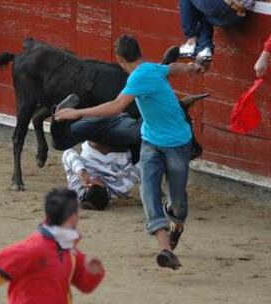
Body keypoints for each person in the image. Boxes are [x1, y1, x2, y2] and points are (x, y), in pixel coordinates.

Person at [55, 35, 204, 270]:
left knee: (176, 203)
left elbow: (116, 107)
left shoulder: (139, 75)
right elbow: (170, 68)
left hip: (177, 143)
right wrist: (190, 67)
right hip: (150, 141)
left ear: (119, 59)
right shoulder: (151, 68)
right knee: (148, 192)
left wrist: (76, 113)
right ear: (140, 53)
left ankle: (175, 221)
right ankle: (166, 250)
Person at [0, 188, 105, 304]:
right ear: (73, 218)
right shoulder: (31, 250)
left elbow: (85, 286)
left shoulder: (69, 250)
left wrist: (94, 272)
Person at [62, 140, 140, 210]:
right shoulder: (121, 188)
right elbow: (141, 167)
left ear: (87, 188)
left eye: (93, 182)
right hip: (119, 145)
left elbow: (68, 153)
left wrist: (81, 171)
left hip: (95, 144)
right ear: (106, 189)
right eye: (99, 182)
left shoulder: (77, 187)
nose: (97, 178)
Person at [179, 0, 256, 61]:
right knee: (201, 11)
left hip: (224, 5)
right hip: (236, 16)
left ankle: (190, 42)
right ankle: (204, 49)